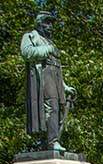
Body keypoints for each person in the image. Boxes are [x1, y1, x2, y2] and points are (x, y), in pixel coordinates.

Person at [21, 12, 76, 151]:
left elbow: (57, 68)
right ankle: (52, 141)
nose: (50, 26)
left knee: (57, 108)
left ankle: (50, 141)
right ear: (39, 23)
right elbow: (26, 53)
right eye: (47, 23)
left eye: (51, 23)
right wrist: (46, 49)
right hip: (43, 75)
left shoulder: (51, 42)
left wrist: (65, 87)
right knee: (51, 106)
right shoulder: (30, 36)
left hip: (55, 75)